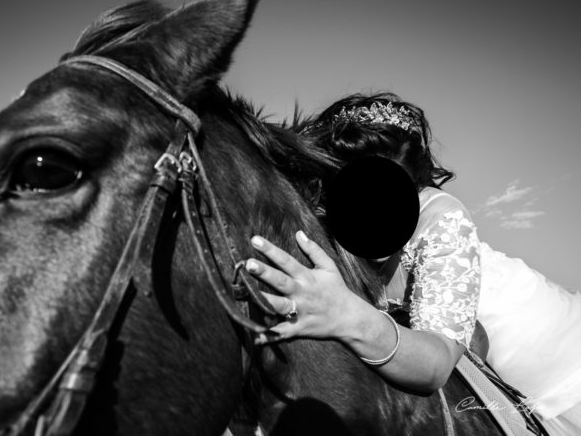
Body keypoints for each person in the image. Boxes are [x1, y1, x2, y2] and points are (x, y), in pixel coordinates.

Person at [246, 93, 581, 434]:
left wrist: (347, 315)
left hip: (532, 347)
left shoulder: (441, 215)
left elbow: (434, 367)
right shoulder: (323, 224)